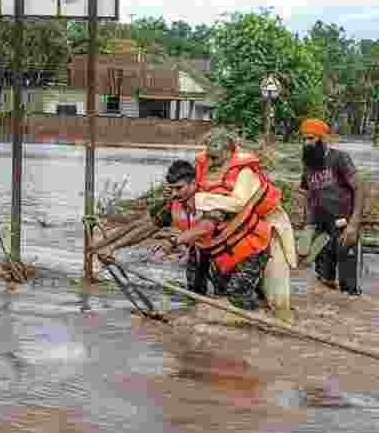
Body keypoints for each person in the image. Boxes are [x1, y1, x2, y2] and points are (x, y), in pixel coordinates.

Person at [181, 130, 296, 321]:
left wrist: (198, 200)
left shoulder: (245, 172)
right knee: (224, 292)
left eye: (214, 157)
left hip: (264, 229)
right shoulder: (204, 166)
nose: (210, 162)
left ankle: (274, 320)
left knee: (278, 299)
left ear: (228, 153)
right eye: (208, 156)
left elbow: (238, 203)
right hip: (228, 236)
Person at [91, 160, 214, 295]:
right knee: (195, 297)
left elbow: (205, 227)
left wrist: (172, 242)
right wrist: (107, 246)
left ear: (193, 183)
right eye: (171, 188)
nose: (174, 194)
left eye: (179, 188)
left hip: (220, 256)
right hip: (197, 254)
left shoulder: (209, 201)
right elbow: (143, 228)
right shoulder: (174, 204)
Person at [299, 118, 365, 295]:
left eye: (311, 138)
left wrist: (353, 225)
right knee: (323, 280)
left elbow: (359, 188)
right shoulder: (308, 163)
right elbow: (308, 194)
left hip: (344, 227)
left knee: (348, 287)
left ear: (323, 138)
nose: (307, 143)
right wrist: (307, 228)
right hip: (321, 229)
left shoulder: (339, 159)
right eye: (304, 139)